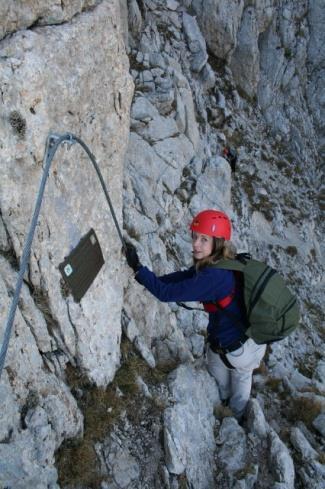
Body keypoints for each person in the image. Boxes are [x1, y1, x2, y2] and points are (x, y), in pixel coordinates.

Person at [124, 209, 266, 421]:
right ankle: (231, 415)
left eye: (203, 239)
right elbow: (184, 277)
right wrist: (150, 277)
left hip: (240, 352)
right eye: (195, 237)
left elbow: (165, 294)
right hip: (242, 344)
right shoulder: (222, 262)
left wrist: (137, 268)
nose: (195, 244)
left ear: (217, 243)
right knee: (227, 387)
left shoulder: (214, 277)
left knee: (234, 397)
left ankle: (235, 423)